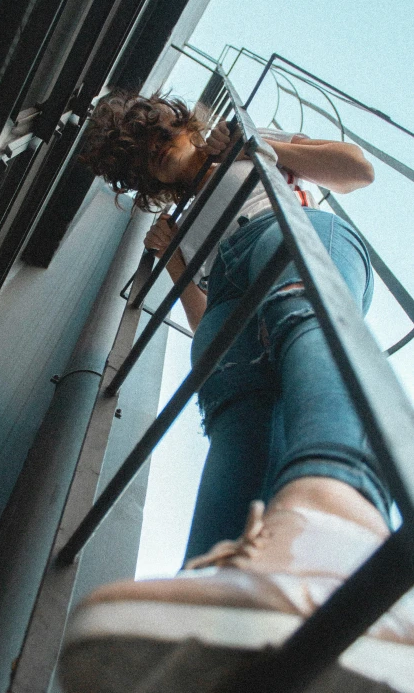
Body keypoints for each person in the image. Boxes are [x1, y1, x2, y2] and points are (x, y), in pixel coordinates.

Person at [59, 91, 414, 692]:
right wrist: (175, 266)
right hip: (225, 291)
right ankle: (225, 593)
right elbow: (204, 324)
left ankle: (338, 529)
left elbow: (357, 170)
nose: (156, 151)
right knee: (230, 402)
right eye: (140, 155)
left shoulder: (245, 142)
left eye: (159, 133)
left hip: (289, 226)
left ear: (184, 123)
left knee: (304, 319)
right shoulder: (181, 226)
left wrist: (259, 145)